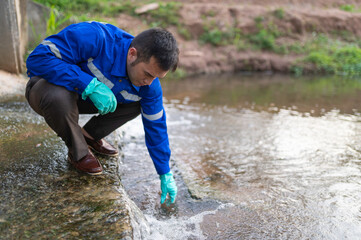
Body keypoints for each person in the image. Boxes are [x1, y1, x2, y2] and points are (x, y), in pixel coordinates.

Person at [25, 21, 178, 204]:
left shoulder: (150, 85)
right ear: (132, 54)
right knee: (57, 96)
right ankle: (79, 152)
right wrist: (87, 83)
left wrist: (165, 172)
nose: (150, 82)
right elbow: (37, 59)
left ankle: (89, 135)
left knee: (140, 103)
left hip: (84, 99)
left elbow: (156, 126)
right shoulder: (94, 37)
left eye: (156, 77)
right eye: (147, 74)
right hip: (46, 89)